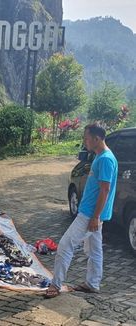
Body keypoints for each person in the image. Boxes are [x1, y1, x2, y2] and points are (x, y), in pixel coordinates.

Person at [45, 124, 118, 298]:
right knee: (94, 250)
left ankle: (55, 285)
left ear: (96, 138)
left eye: (86, 138)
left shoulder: (106, 159)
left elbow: (105, 190)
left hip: (90, 214)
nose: (84, 141)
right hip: (91, 213)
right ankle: (92, 284)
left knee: (65, 245)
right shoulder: (100, 156)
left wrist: (95, 216)